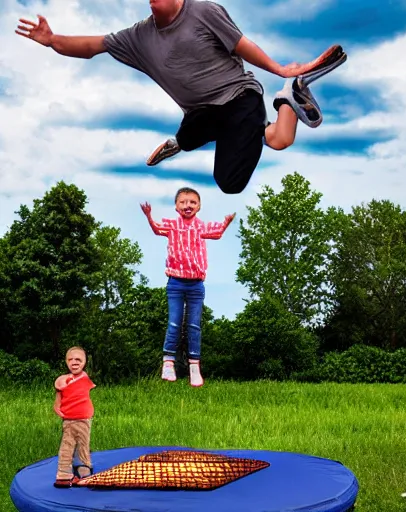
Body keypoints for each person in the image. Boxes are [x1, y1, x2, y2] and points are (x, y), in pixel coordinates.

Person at [15, 0, 347, 194]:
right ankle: (179, 142)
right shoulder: (138, 37)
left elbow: (243, 46)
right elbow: (90, 47)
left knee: (234, 178)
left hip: (238, 99)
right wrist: (52, 40)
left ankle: (289, 95)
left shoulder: (203, 11)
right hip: (202, 114)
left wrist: (281, 70)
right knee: (222, 134)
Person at [141, 187, 234, 387]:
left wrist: (226, 223)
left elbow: (216, 233)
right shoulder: (172, 225)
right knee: (174, 322)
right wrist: (149, 216)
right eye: (183, 202)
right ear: (176, 206)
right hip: (175, 282)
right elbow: (157, 229)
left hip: (196, 285)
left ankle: (194, 366)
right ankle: (168, 361)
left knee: (193, 325)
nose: (187, 205)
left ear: (199, 206)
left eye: (192, 202)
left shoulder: (201, 227)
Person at [53, 346, 96, 488]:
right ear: (66, 362)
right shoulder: (62, 380)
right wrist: (57, 407)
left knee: (83, 443)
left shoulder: (84, 377)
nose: (74, 362)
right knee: (67, 445)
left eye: (78, 359)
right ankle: (63, 474)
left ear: (84, 362)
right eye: (70, 359)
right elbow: (58, 398)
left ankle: (83, 468)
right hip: (69, 419)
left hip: (84, 418)